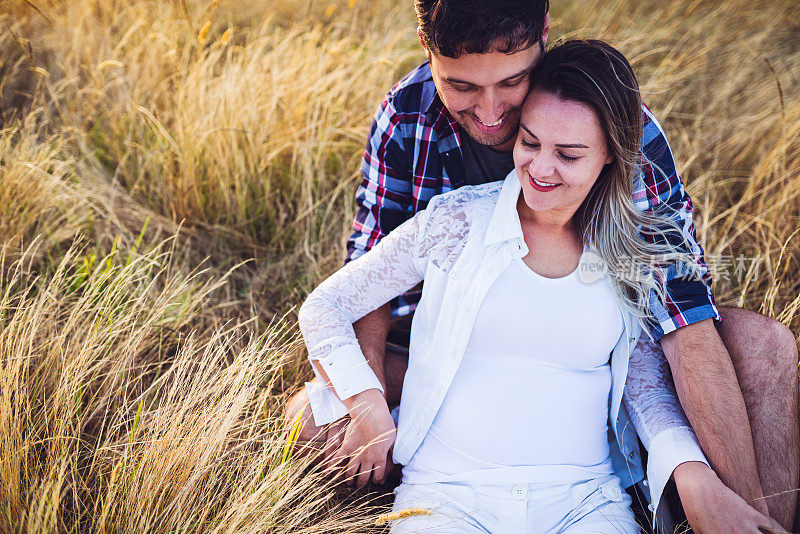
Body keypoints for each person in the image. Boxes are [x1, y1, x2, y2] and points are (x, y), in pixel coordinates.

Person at [286, 0, 799, 530]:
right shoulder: (408, 119)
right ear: (428, 50)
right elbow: (363, 285)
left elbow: (679, 310)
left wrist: (707, 486)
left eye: (511, 82)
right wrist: (369, 412)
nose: (489, 111)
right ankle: (394, 494)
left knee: (765, 352)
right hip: (432, 353)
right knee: (314, 415)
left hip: (582, 373)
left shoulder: (617, 124)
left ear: (542, 36)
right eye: (462, 86)